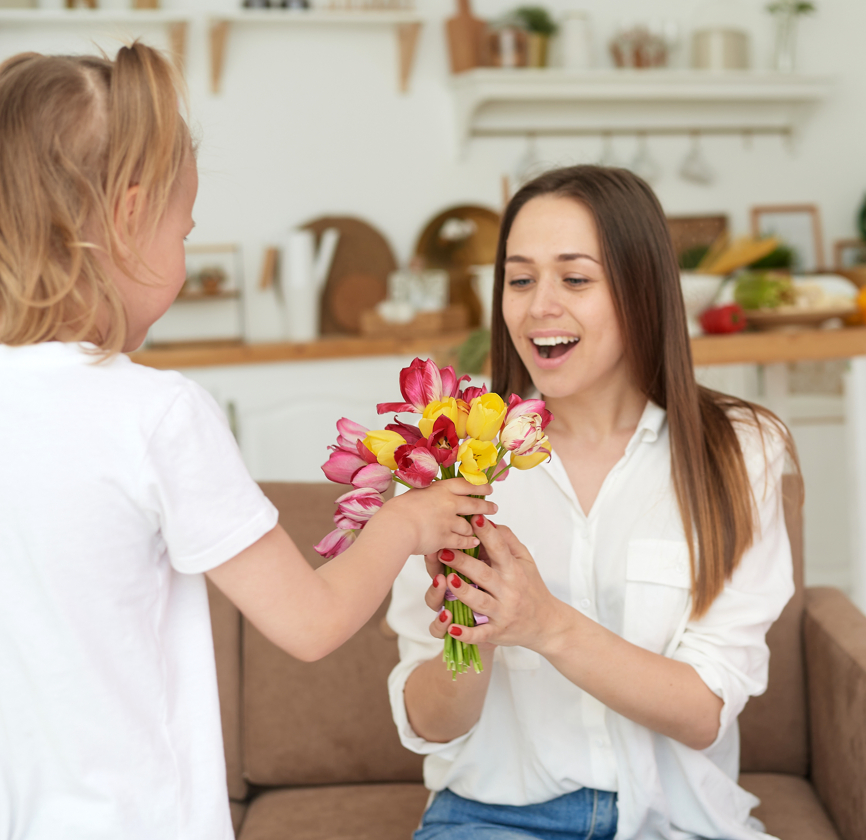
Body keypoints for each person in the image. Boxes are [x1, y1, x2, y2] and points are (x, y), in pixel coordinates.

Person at [0, 44, 497, 839]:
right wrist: (406, 521)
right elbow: (310, 623)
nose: (186, 257)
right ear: (129, 219)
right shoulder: (156, 413)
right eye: (183, 228)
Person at [386, 165, 801, 840]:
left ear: (642, 291)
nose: (538, 306)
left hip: (678, 822)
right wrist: (475, 635)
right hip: (495, 817)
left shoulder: (739, 452)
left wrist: (541, 621)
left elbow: (703, 709)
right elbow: (429, 724)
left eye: (574, 278)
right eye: (519, 280)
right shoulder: (451, 460)